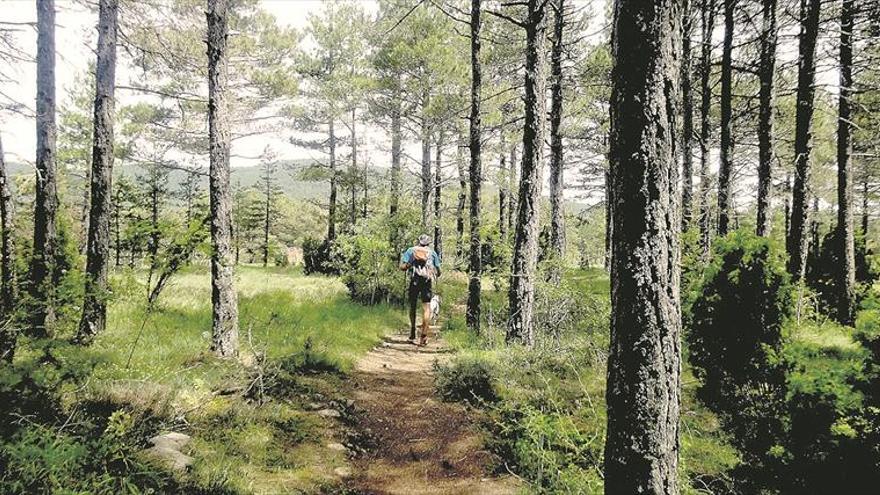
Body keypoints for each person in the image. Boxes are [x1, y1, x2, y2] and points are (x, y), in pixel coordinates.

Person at [399, 234, 441, 345]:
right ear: (428, 243)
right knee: (427, 308)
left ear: (419, 241)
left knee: (412, 306)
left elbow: (402, 267)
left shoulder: (411, 250)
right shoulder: (432, 253)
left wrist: (409, 265)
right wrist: (436, 273)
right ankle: (424, 336)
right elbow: (438, 271)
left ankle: (412, 332)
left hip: (414, 281)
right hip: (426, 282)